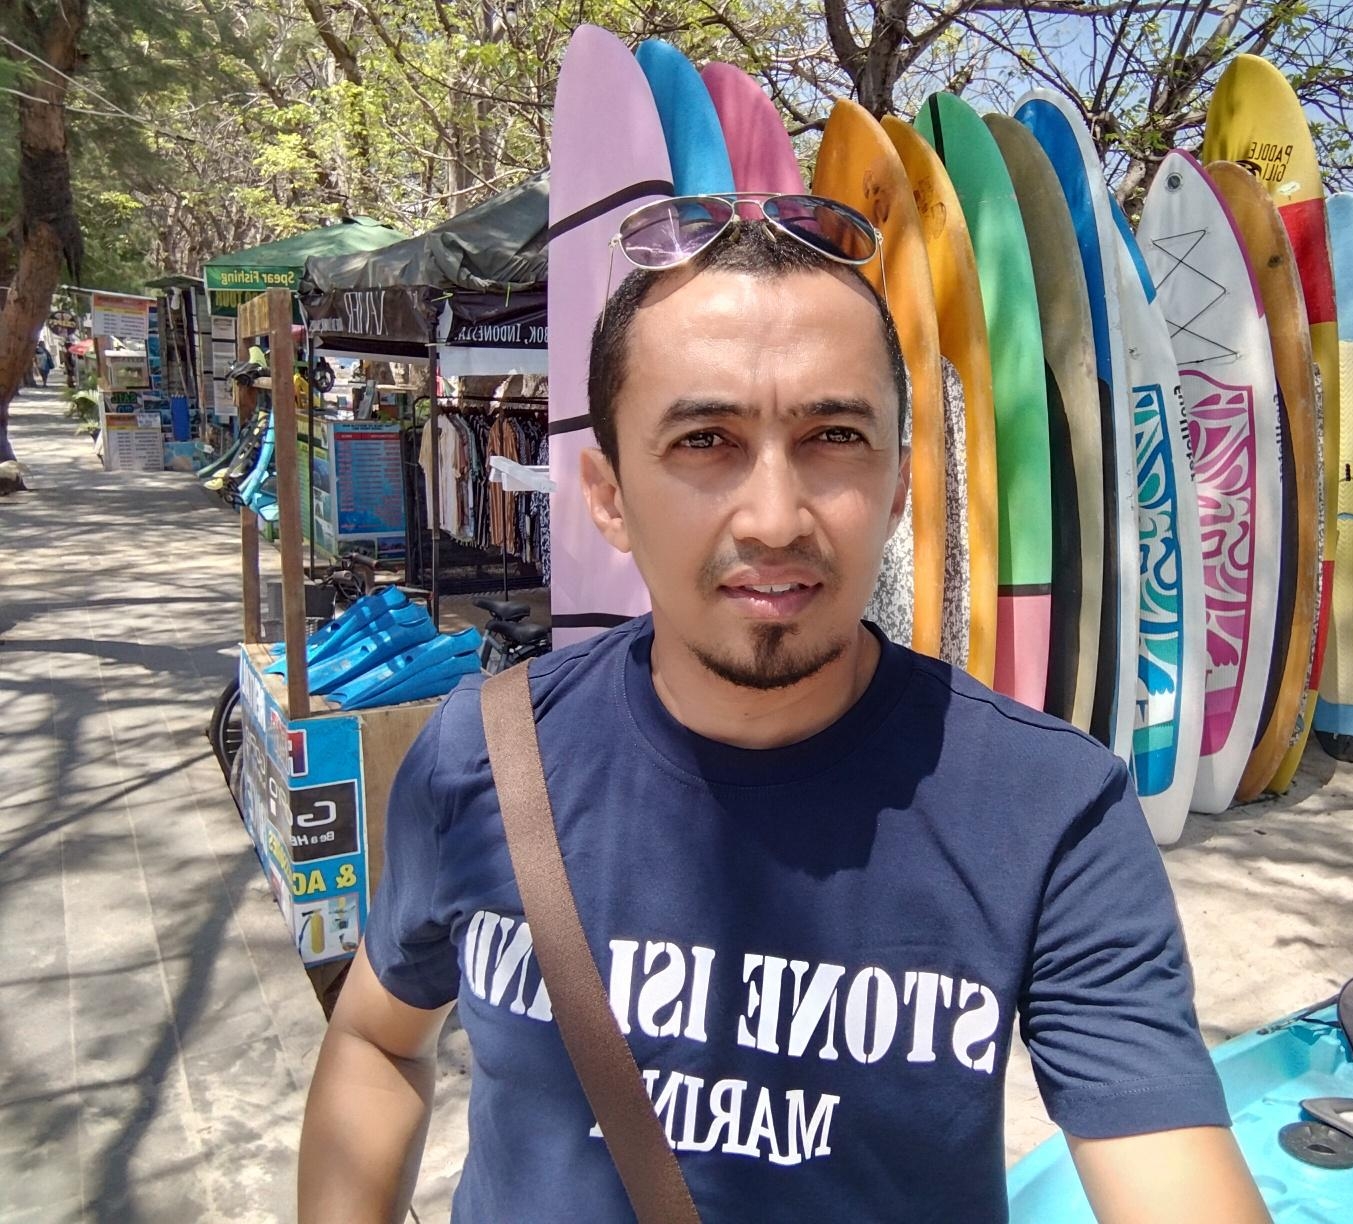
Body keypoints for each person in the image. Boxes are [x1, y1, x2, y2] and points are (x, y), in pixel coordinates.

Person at [299, 198, 1269, 1223]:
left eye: (834, 436)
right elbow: (376, 1036)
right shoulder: (483, 755)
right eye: (705, 440)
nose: (773, 519)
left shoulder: (1045, 811)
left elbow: (1166, 1156)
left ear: (899, 486)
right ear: (608, 495)